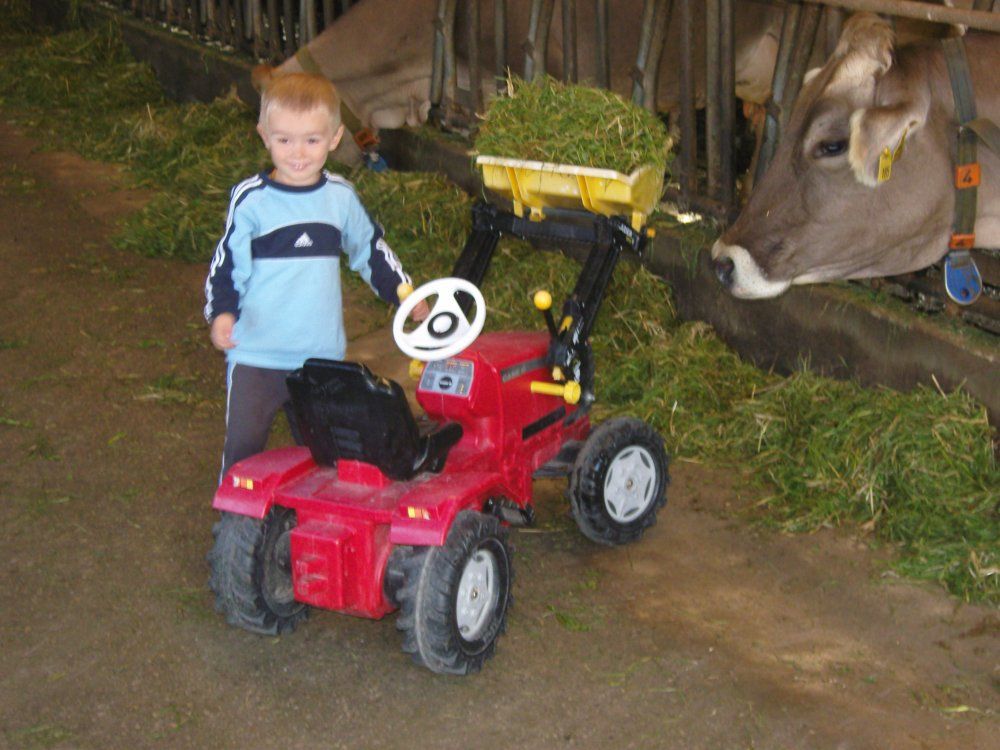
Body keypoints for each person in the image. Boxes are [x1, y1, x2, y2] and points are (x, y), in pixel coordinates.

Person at [204, 71, 427, 480]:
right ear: (263, 135)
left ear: (336, 137)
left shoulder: (339, 198)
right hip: (257, 355)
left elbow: (369, 249)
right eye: (284, 139)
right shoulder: (252, 201)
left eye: (312, 139)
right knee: (243, 450)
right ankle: (233, 530)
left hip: (320, 358)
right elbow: (227, 265)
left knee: (323, 454)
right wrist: (222, 312)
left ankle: (310, 529)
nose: (298, 153)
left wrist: (403, 292)